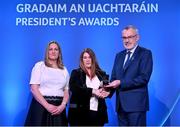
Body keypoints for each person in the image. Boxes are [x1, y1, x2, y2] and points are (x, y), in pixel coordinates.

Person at [105, 25, 153, 126]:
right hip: (121, 106)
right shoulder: (119, 56)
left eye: (130, 37)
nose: (126, 40)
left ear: (137, 37)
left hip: (136, 106)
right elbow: (114, 78)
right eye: (124, 38)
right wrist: (107, 91)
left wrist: (121, 82)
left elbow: (144, 78)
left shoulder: (145, 54)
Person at [25, 41, 69, 126]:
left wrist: (63, 105)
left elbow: (66, 90)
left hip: (59, 108)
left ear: (59, 52)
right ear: (47, 52)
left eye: (56, 49)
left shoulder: (64, 69)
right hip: (41, 107)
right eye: (50, 49)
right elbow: (34, 89)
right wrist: (47, 106)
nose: (53, 51)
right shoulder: (40, 66)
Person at [68, 48, 110, 126]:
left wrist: (106, 91)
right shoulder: (76, 73)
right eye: (85, 57)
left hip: (98, 114)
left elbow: (107, 89)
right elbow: (75, 89)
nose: (87, 60)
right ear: (82, 60)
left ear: (93, 59)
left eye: (90, 57)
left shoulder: (102, 74)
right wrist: (92, 91)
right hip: (80, 114)